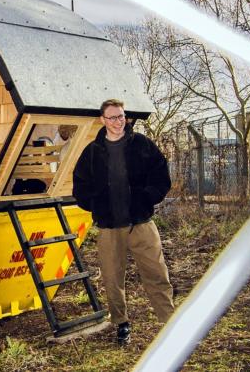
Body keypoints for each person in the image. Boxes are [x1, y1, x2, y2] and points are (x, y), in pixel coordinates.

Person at [73, 99, 174, 345]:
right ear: (102, 120)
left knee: (156, 272)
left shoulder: (142, 145)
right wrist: (96, 206)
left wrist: (147, 197)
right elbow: (80, 186)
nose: (118, 122)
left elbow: (161, 175)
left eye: (121, 117)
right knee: (112, 278)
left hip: (141, 222)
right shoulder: (92, 152)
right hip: (109, 227)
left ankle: (169, 322)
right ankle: (121, 324)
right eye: (112, 118)